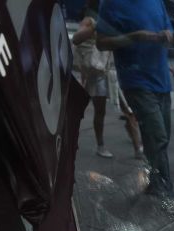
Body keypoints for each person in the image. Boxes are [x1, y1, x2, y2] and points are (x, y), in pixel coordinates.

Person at [97, 0, 174, 199]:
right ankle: (165, 191)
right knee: (157, 136)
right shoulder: (111, 4)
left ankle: (155, 183)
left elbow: (169, 28)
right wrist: (134, 37)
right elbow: (101, 42)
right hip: (136, 81)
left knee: (160, 137)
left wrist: (168, 35)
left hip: (161, 80)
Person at [72, 2, 114, 158]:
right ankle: (98, 144)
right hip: (91, 73)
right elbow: (76, 38)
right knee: (85, 110)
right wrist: (96, 27)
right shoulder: (90, 20)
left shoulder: (107, 20)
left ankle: (100, 144)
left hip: (101, 72)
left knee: (99, 111)